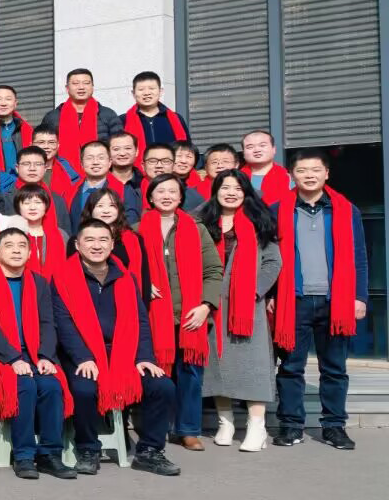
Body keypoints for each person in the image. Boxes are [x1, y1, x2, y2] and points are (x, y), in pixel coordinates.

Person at [53, 219, 180, 476]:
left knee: (163, 386)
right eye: (89, 240)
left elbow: (141, 321)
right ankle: (88, 448)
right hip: (82, 354)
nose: (96, 245)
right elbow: (62, 323)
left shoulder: (126, 277)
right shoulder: (62, 277)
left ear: (112, 244)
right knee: (84, 389)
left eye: (103, 240)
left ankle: (149, 451)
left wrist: (144, 357)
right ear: (77, 245)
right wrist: (83, 357)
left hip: (124, 353)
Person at [270, 149, 364, 451]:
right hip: (293, 301)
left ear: (326, 173)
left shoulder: (345, 210)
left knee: (334, 369)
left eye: (315, 170)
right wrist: (271, 294)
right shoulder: (277, 210)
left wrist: (359, 297)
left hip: (335, 301)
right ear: (292, 175)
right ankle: (291, 426)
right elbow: (268, 258)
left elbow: (359, 257)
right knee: (290, 368)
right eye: (301, 170)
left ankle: (334, 427)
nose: (309, 175)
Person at [0, 228, 74, 479]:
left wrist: (45, 356)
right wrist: (13, 359)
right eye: (9, 245)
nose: (16, 250)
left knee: (51, 386)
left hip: (35, 354)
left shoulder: (39, 283)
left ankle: (50, 454)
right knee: (25, 386)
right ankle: (24, 455)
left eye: (22, 246)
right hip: (1, 356)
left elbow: (48, 323)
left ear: (30, 253)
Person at [192, 171, 281, 452]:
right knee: (218, 364)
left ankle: (257, 426)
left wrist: (255, 292)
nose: (231, 193)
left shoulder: (259, 220)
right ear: (215, 191)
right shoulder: (200, 221)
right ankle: (226, 422)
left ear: (246, 192)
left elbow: (273, 262)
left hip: (247, 306)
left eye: (237, 188)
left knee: (253, 365)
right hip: (211, 303)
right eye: (225, 187)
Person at [140, 174, 225, 452]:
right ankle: (157, 428)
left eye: (172, 191)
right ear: (150, 197)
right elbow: (125, 266)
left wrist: (205, 305)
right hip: (154, 316)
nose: (166, 196)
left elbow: (214, 270)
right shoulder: (137, 229)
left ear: (180, 197)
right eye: (160, 191)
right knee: (157, 375)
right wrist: (142, 283)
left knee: (190, 375)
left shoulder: (196, 229)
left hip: (191, 315)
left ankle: (188, 430)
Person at [39, 69, 124, 172]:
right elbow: (41, 148)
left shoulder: (107, 114)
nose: (81, 87)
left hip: (101, 174)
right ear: (67, 88)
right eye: (75, 83)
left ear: (92, 87)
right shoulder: (52, 117)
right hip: (60, 174)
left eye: (86, 83)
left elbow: (119, 147)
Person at [65, 142, 143, 232]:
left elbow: (130, 224)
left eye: (101, 158)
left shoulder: (125, 191)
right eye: (89, 158)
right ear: (81, 163)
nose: (95, 162)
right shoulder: (69, 192)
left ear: (110, 162)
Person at [0, 85, 35, 187]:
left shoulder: (27, 130)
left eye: (8, 99)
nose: (3, 103)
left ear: (15, 103)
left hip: (24, 184)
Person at [122, 71, 189, 147]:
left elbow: (187, 148)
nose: (147, 93)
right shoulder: (123, 120)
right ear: (133, 93)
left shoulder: (177, 118)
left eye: (151, 88)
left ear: (160, 91)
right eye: (141, 89)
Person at [241, 130, 291, 203]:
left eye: (262, 145)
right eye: (250, 147)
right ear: (243, 153)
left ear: (274, 149)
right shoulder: (236, 180)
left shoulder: (290, 180)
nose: (257, 150)